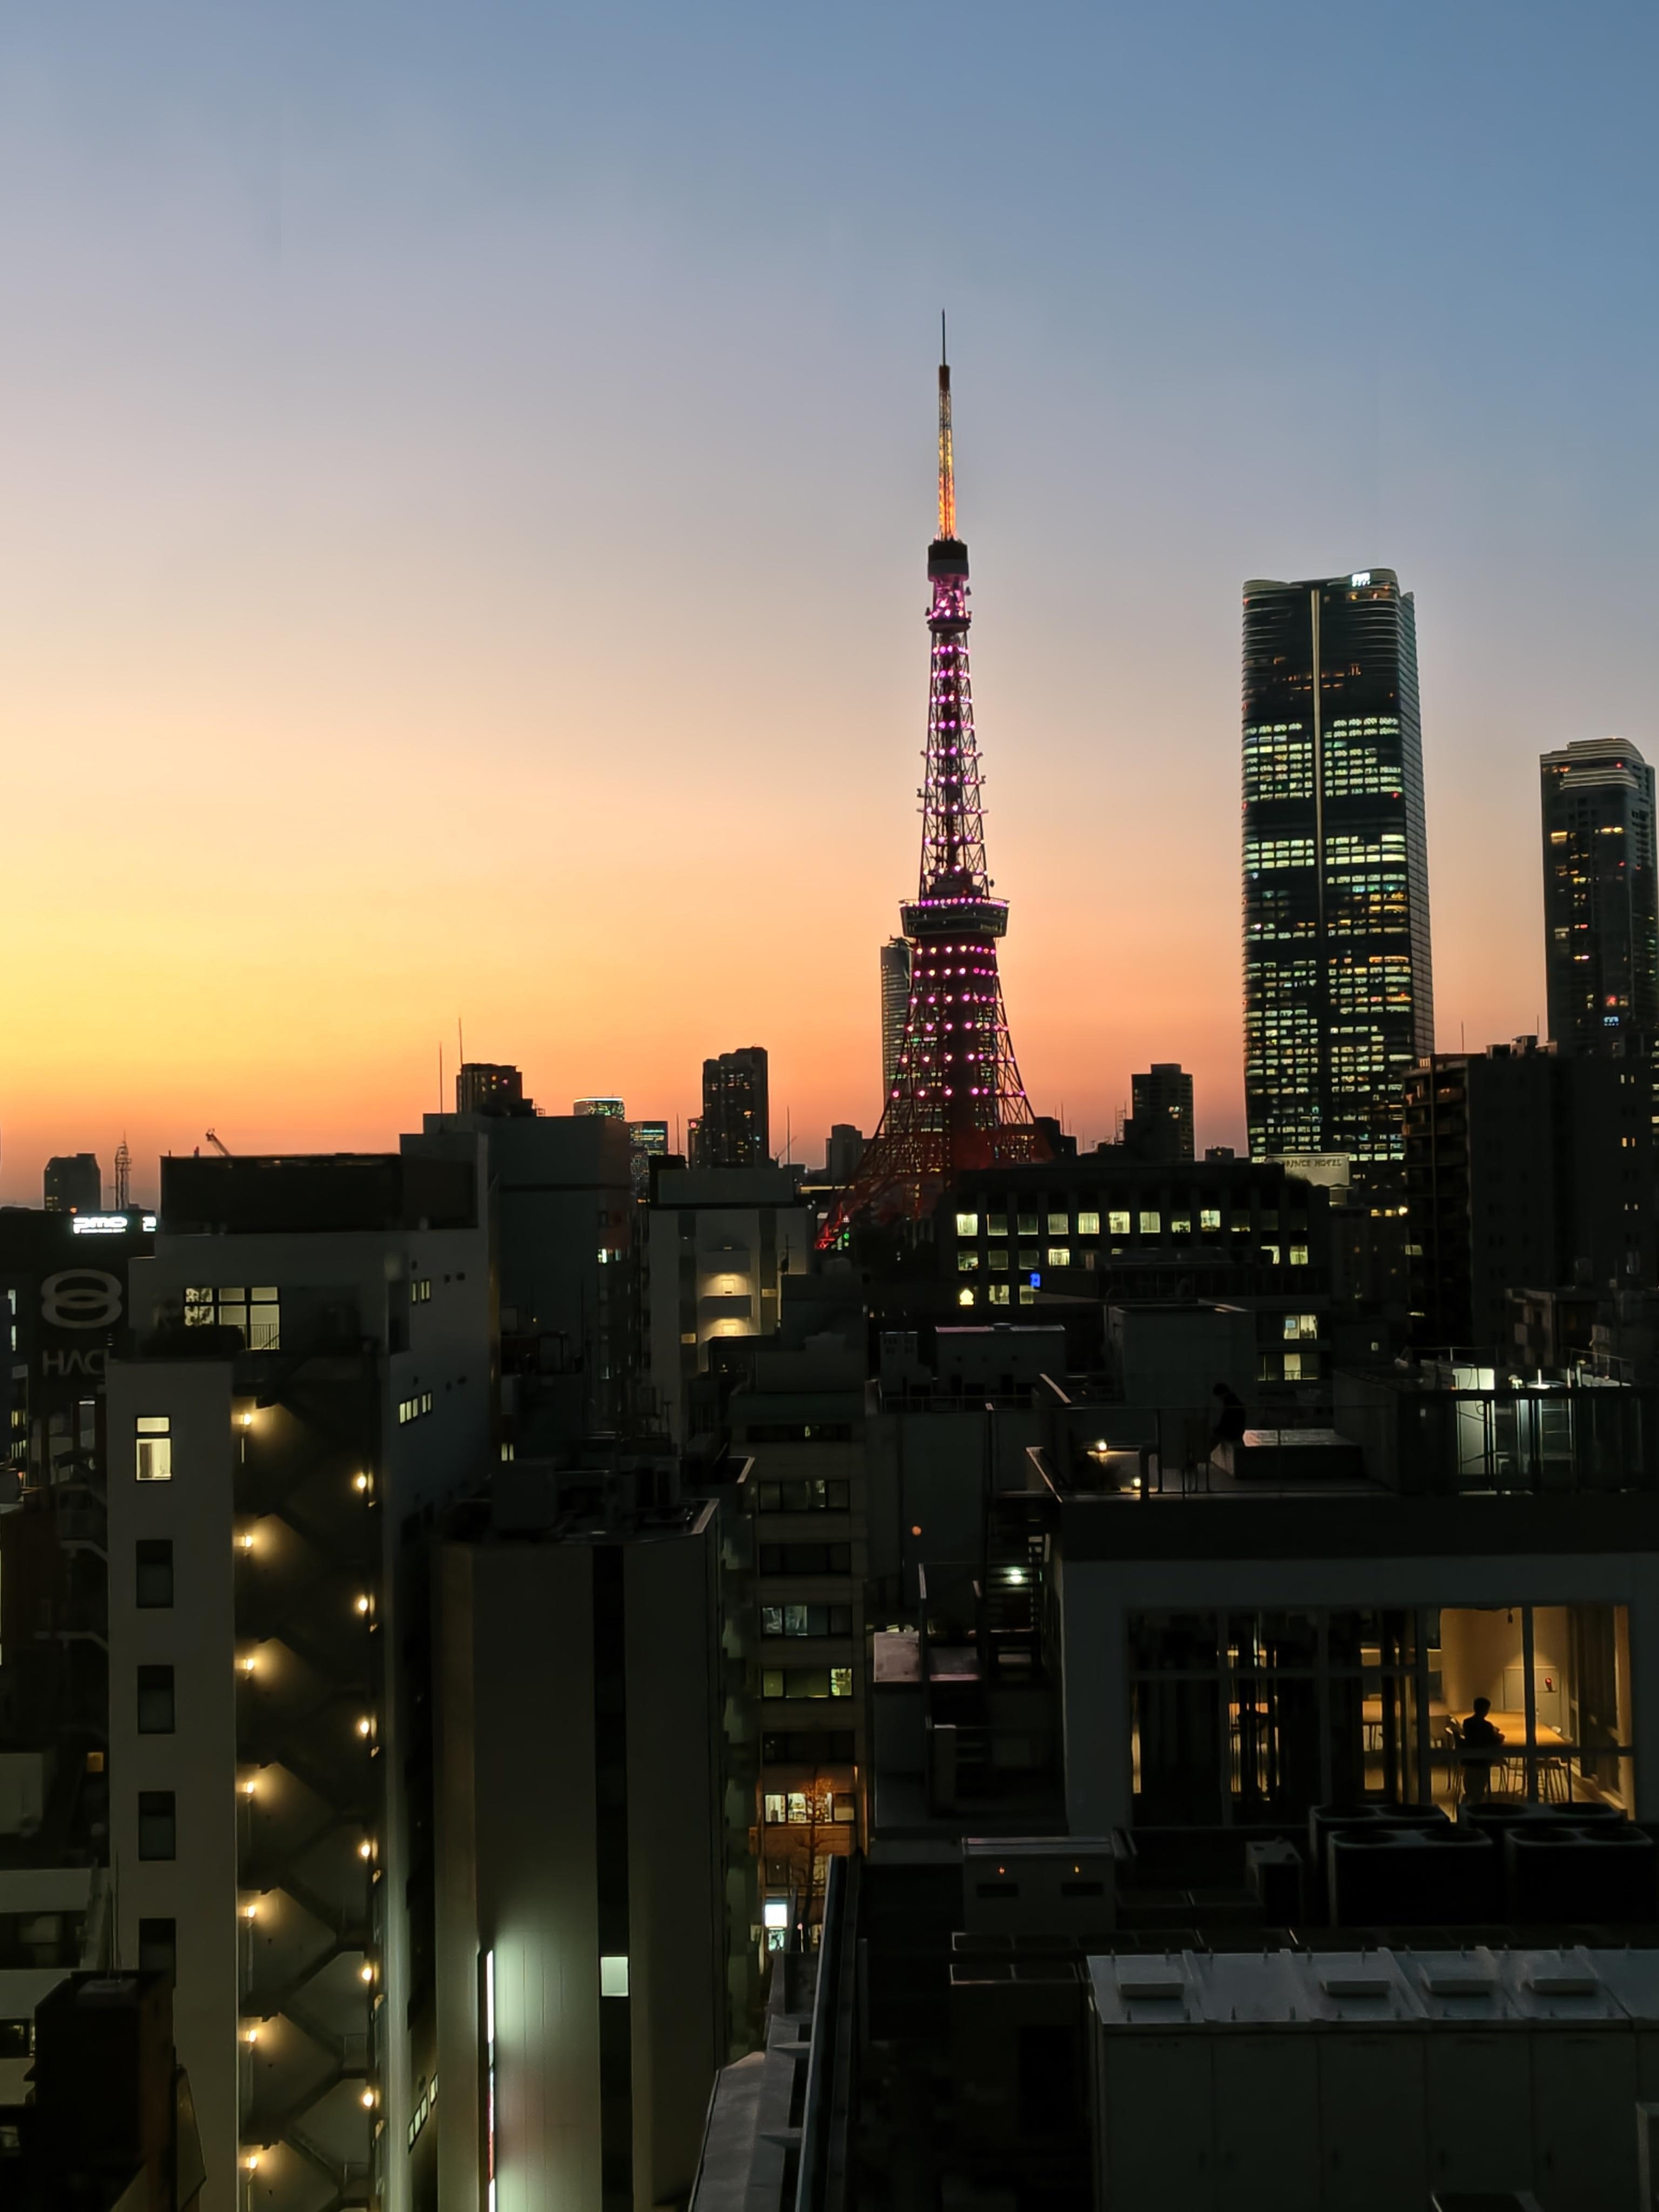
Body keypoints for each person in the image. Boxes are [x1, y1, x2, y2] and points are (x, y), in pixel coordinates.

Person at [1459, 1696, 1505, 1799]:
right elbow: (1494, 1741)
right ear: (1486, 1710)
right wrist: (1500, 1736)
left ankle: (1468, 1797)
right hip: (1483, 1760)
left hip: (1469, 1758)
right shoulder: (1487, 1726)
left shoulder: (1467, 1722)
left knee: (1470, 1784)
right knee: (1479, 1786)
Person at [1210, 1381, 1247, 1455]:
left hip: (1232, 1433)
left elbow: (1227, 1421)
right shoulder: (1234, 1403)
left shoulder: (1230, 1404)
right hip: (1235, 1432)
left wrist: (1217, 1430)